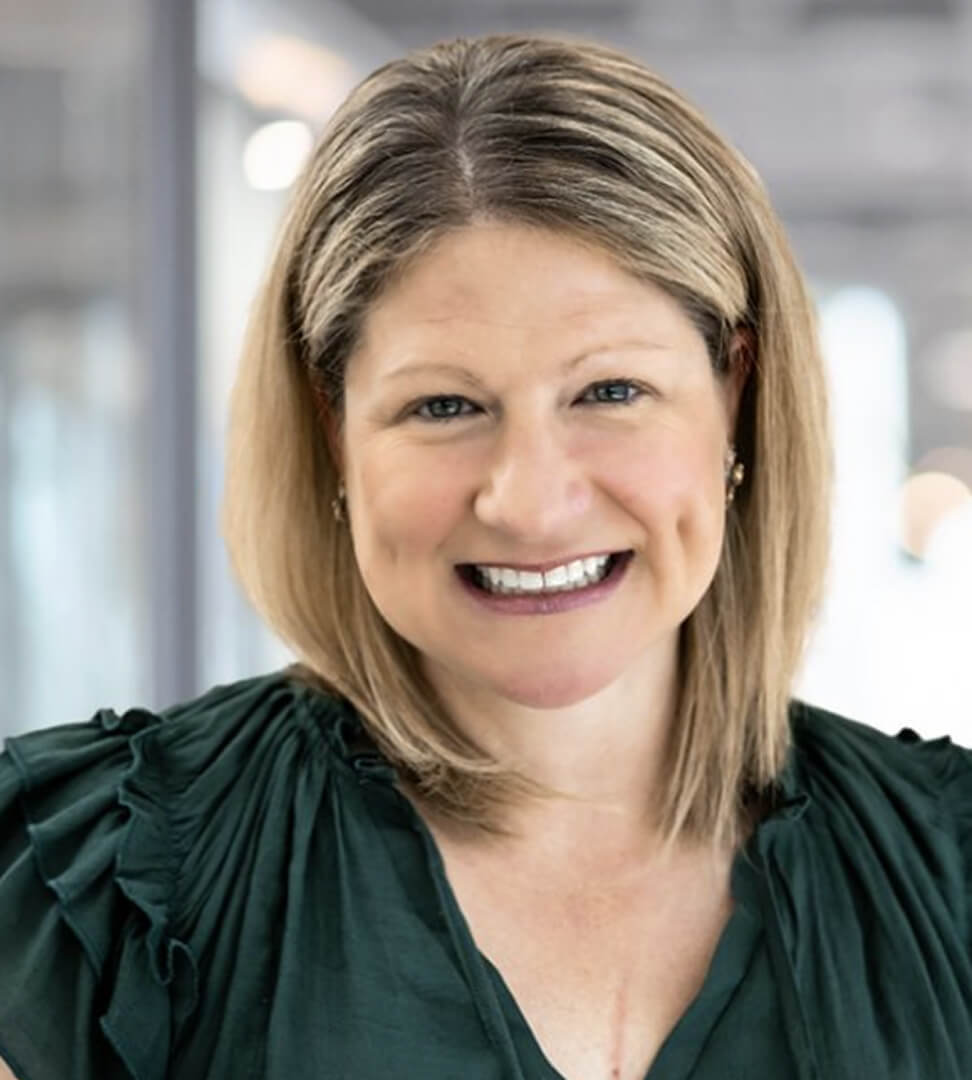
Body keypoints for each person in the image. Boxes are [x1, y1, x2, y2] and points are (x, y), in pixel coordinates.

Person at [1, 32, 969, 1080]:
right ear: (335, 431)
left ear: (734, 395)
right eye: (445, 406)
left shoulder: (951, 875)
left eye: (609, 392)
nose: (531, 503)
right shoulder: (86, 891)